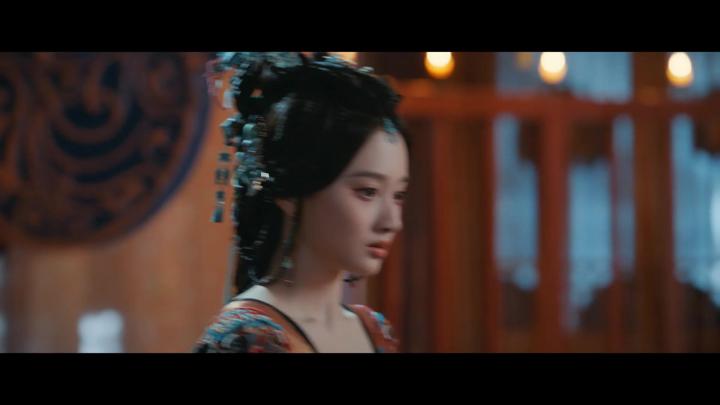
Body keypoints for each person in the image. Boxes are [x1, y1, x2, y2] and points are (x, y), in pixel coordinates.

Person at [193, 52, 410, 353]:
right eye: (367, 191)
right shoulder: (247, 339)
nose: (392, 222)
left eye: (398, 195)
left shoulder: (373, 330)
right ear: (291, 192)